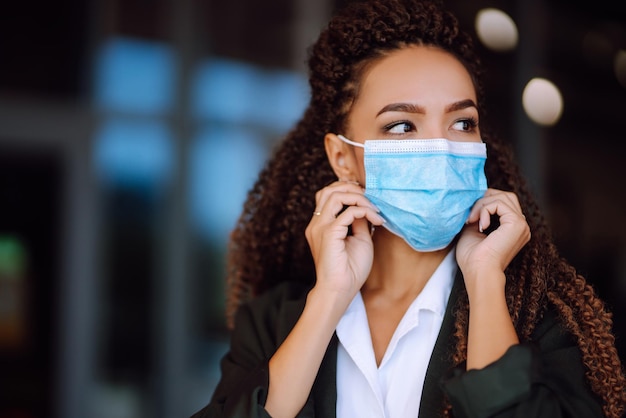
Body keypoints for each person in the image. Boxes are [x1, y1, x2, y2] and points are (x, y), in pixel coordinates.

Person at [192, 0, 626, 416]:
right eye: (401, 125)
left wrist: (486, 280)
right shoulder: (272, 320)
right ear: (343, 158)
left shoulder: (536, 320)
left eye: (462, 122)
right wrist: (328, 300)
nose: (440, 146)